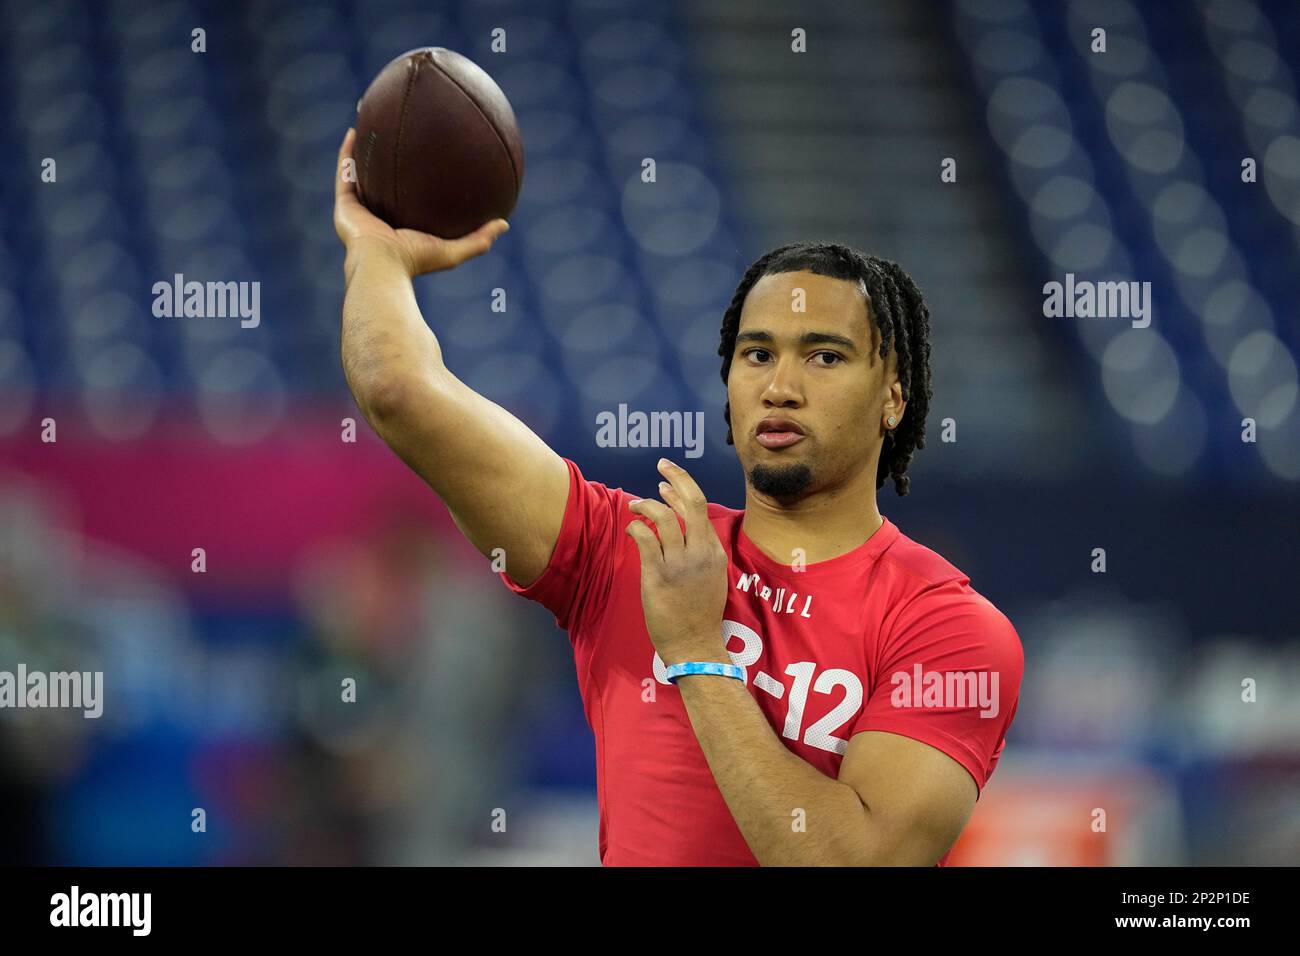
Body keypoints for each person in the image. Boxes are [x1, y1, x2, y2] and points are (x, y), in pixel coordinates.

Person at [333, 128, 1024, 866]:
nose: (780, 386)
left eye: (825, 355)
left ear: (893, 398)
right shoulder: (626, 552)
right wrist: (377, 254)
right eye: (757, 354)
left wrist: (698, 649)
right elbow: (396, 390)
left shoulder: (948, 629)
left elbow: (847, 859)